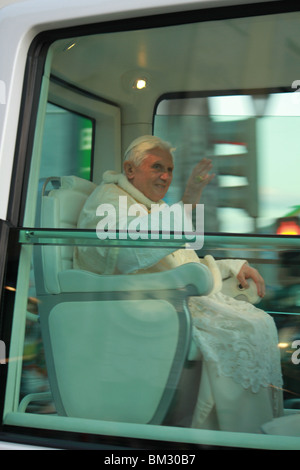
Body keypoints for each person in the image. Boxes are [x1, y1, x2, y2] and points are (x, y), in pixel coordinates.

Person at [74, 135, 283, 433]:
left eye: (170, 170)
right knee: (243, 331)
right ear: (129, 169)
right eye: (157, 167)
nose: (165, 176)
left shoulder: (150, 205)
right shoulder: (109, 200)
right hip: (130, 308)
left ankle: (254, 430)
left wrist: (233, 267)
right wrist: (189, 199)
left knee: (259, 323)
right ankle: (230, 435)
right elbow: (123, 256)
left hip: (166, 297)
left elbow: (184, 262)